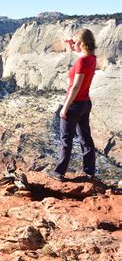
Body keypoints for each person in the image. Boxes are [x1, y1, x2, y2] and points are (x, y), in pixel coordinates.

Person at [47, 28, 97, 181]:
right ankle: (89, 172)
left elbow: (75, 86)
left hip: (75, 104)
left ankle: (59, 172)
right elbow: (82, 57)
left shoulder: (82, 61)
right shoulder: (92, 58)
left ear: (81, 43)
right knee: (85, 138)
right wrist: (71, 46)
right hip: (85, 103)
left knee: (66, 139)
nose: (73, 42)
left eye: (75, 41)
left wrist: (65, 107)